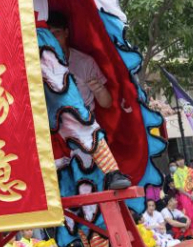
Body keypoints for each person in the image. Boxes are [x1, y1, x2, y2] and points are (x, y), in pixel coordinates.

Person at [46, 11, 132, 191]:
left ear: (66, 32)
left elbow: (106, 103)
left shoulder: (84, 62)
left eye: (57, 33)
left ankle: (111, 173)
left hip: (85, 129)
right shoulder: (41, 65)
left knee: (89, 182)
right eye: (49, 35)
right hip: (55, 133)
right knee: (63, 186)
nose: (53, 39)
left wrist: (98, 89)